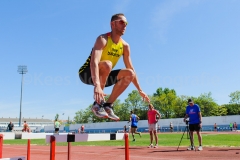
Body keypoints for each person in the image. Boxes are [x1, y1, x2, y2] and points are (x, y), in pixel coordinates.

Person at [78, 13, 150, 121]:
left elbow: (131, 69)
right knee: (107, 64)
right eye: (121, 22)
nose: (124, 25)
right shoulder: (103, 39)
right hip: (87, 73)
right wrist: (97, 85)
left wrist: (140, 90)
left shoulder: (125, 46)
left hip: (105, 76)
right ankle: (98, 104)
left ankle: (108, 105)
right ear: (113, 24)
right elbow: (94, 63)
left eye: (126, 23)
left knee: (130, 73)